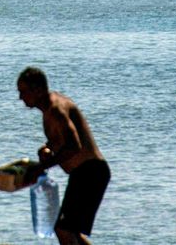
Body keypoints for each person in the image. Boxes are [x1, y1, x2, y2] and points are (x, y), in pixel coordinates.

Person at [17, 66, 110, 244]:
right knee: (70, 232)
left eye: (23, 91)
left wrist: (41, 168)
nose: (20, 97)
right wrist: (47, 148)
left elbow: (75, 146)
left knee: (64, 230)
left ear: (37, 89)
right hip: (85, 173)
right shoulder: (50, 109)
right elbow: (63, 139)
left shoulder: (56, 110)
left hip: (89, 172)